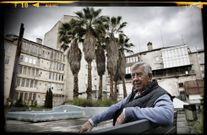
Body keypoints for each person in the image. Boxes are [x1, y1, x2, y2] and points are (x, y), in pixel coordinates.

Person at [79, 61, 174, 133]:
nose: (135, 79)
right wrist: (92, 121)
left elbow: (167, 115)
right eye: (133, 76)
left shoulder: (160, 94)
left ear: (149, 77)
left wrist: (130, 112)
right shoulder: (135, 93)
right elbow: (116, 107)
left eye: (139, 75)